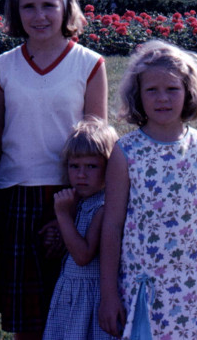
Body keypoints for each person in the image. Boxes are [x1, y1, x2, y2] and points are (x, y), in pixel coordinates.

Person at [0, 0, 108, 340]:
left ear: (65, 7)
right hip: (16, 196)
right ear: (15, 10)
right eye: (28, 7)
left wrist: (75, 208)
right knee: (28, 320)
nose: (39, 16)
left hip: (71, 195)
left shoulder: (88, 63)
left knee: (73, 309)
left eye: (48, 5)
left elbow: (97, 142)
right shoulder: (2, 66)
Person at [100, 40, 197, 340]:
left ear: (188, 92)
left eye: (172, 89)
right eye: (152, 90)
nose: (162, 98)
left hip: (194, 289)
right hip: (144, 291)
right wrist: (108, 293)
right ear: (138, 95)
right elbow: (112, 226)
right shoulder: (126, 152)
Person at [43, 118, 119, 340]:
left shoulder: (103, 207)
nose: (81, 175)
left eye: (92, 166)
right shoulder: (82, 202)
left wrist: (63, 215)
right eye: (74, 166)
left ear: (109, 168)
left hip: (91, 298)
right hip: (72, 295)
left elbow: (83, 255)